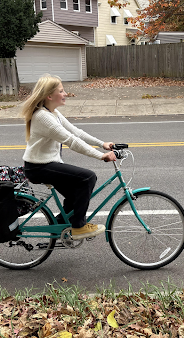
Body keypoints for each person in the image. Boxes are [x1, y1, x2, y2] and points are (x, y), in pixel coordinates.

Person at [21, 74, 117, 240]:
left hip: (47, 164)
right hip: (38, 167)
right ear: (49, 96)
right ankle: (78, 226)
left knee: (75, 195)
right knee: (88, 177)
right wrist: (101, 156)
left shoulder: (52, 113)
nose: (65, 93)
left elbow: (75, 131)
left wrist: (102, 144)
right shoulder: (43, 117)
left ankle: (59, 228)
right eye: (61, 90)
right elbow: (71, 140)